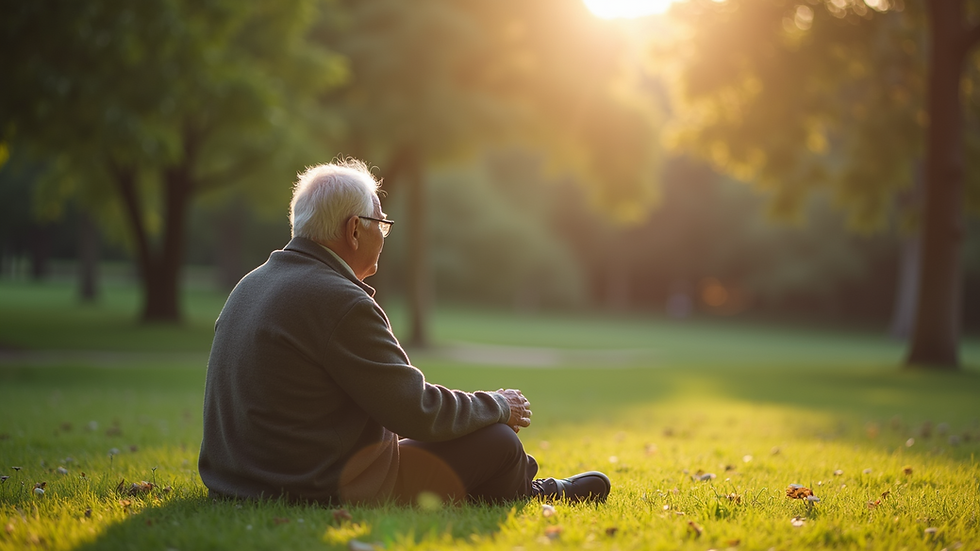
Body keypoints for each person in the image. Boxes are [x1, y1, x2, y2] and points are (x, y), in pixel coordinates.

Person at [199, 159, 610, 505]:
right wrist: (497, 405)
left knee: (476, 443)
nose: (384, 234)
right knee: (500, 442)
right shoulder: (341, 301)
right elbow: (417, 412)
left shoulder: (250, 285)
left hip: (238, 481)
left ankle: (516, 476)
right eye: (382, 223)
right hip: (316, 486)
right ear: (354, 230)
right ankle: (531, 489)